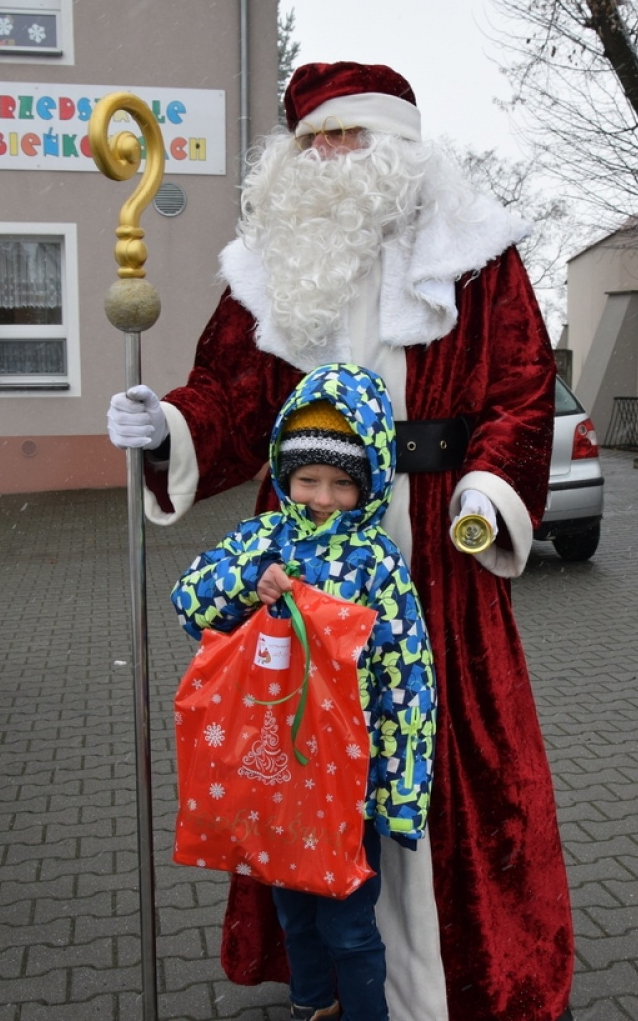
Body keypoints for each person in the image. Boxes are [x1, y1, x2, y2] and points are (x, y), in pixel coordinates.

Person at [109, 61, 573, 1021]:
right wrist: (170, 426)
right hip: (302, 556)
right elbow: (233, 394)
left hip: (433, 552)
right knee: (297, 762)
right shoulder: (269, 268)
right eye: (311, 140)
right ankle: (333, 979)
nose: (326, 157)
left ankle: (471, 982)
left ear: (396, 145)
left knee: (450, 764)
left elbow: (524, 388)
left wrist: (487, 485)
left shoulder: (475, 257)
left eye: (346, 137)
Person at [171, 363, 436, 1021]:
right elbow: (189, 603)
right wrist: (248, 584)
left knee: (349, 923)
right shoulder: (262, 541)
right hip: (272, 774)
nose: (322, 495)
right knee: (292, 911)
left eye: (342, 482)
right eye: (309, 478)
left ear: (367, 483)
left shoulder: (377, 562)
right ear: (285, 475)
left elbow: (409, 675)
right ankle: (312, 1007)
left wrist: (399, 790)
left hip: (346, 780)